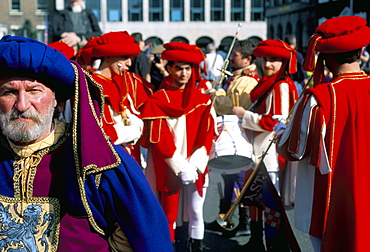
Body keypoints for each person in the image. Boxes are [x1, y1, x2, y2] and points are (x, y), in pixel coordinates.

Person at [0, 35, 172, 251]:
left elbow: (151, 240)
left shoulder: (103, 164)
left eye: (34, 91)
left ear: (56, 100)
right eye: (10, 92)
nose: (22, 104)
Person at [275, 16, 370, 252]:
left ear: (326, 59)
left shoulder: (319, 97)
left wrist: (280, 131)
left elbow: (293, 149)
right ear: (361, 51)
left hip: (331, 196)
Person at [141, 42, 215, 251]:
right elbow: (159, 137)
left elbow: (207, 135)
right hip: (169, 164)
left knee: (196, 211)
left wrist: (195, 164)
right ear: (170, 68)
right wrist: (180, 165)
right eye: (178, 68)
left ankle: (196, 247)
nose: (183, 73)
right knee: (168, 212)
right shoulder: (157, 100)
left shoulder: (203, 100)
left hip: (195, 164)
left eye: (188, 68)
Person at [231, 39, 298, 251]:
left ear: (283, 63)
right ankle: (257, 242)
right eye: (266, 60)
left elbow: (276, 122)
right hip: (260, 150)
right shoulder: (270, 84)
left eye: (274, 61)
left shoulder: (281, 86)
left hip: (270, 155)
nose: (268, 64)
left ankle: (273, 246)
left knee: (270, 203)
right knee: (258, 199)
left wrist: (245, 115)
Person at [210, 39, 260, 237]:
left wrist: (217, 94)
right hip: (230, 133)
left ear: (247, 59)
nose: (231, 58)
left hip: (240, 135)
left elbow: (233, 108)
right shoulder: (237, 77)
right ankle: (225, 218)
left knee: (240, 179)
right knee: (228, 177)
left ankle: (245, 222)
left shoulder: (249, 80)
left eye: (235, 55)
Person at [91, 31, 153, 168]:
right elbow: (101, 132)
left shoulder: (125, 80)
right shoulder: (92, 85)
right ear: (108, 57)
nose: (129, 63)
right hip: (108, 158)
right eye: (124, 58)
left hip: (130, 154)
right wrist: (134, 131)